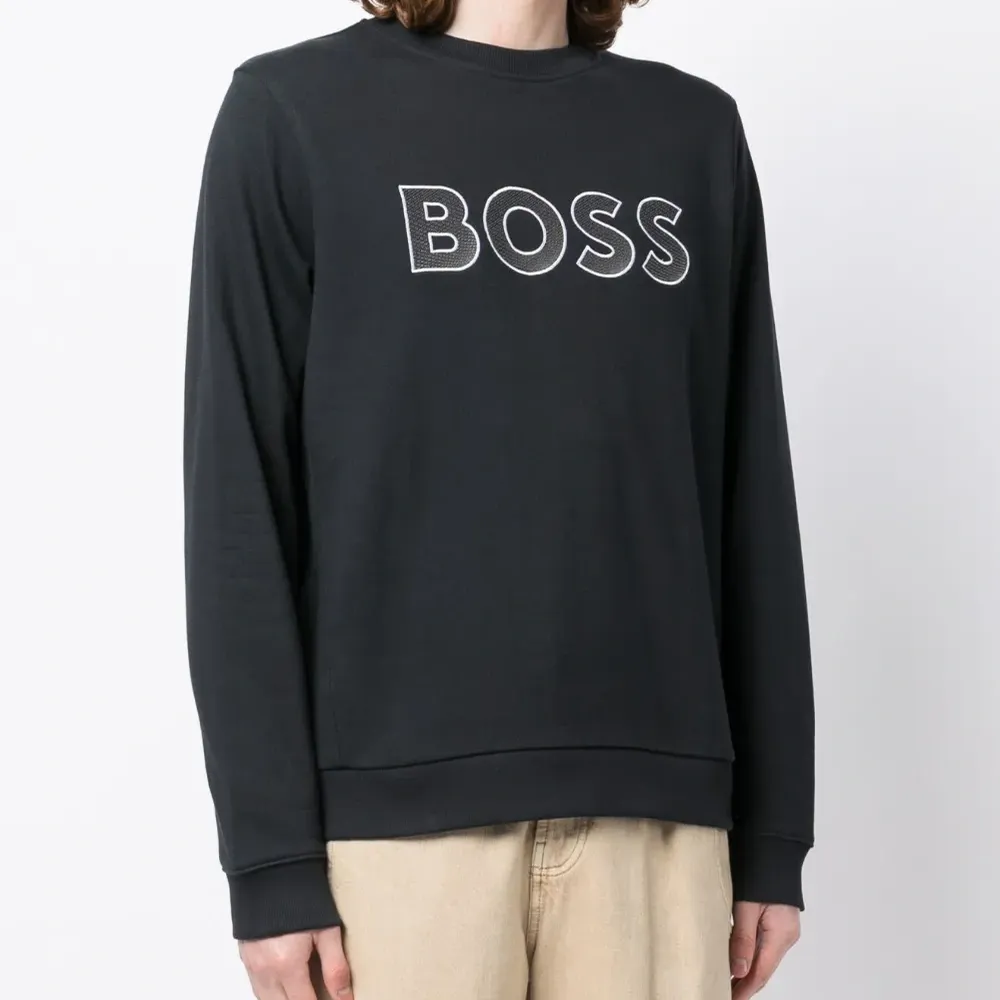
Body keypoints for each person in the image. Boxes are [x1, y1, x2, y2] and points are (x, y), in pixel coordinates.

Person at [183, 0, 815, 997]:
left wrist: (773, 835)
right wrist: (270, 860)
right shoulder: (293, 110)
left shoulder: (691, 130)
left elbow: (750, 492)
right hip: (393, 832)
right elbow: (238, 501)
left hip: (656, 817)